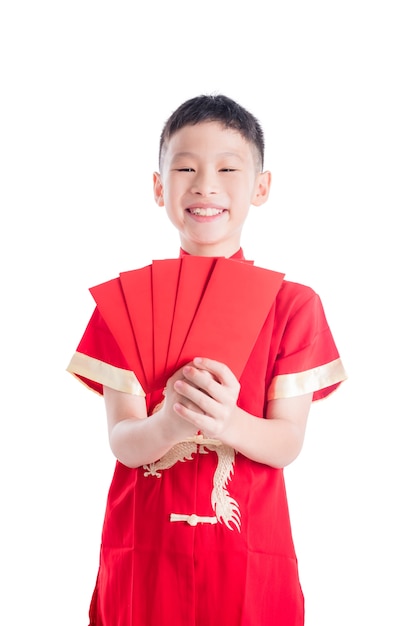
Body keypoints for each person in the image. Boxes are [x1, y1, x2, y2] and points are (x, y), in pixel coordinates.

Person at [67, 94, 347, 626]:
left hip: (247, 556)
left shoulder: (293, 307)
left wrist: (228, 421)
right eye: (186, 168)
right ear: (158, 187)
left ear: (261, 187)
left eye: (228, 168)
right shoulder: (126, 303)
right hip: (143, 550)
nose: (205, 185)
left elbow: (286, 443)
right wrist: (169, 423)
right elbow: (124, 444)